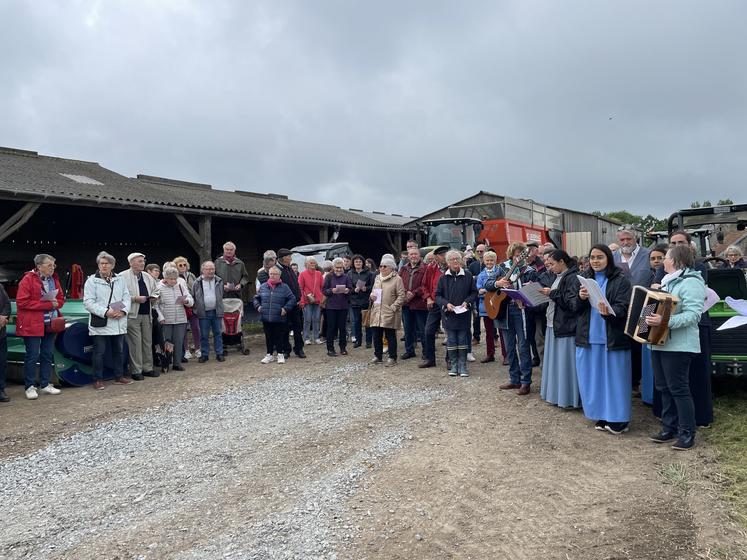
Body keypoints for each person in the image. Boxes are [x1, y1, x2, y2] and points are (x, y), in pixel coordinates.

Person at [645, 245, 706, 450]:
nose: (663, 261)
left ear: (676, 260)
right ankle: (668, 427)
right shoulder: (666, 282)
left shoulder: (691, 283)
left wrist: (664, 321)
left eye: (666, 258)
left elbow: (693, 316)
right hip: (659, 344)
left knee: (679, 389)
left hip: (680, 345)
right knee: (663, 387)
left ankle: (687, 432)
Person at [573, 244, 632, 434]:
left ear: (608, 258)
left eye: (600, 257)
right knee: (593, 379)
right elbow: (574, 308)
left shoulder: (620, 280)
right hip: (588, 336)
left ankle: (619, 419)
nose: (595, 261)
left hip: (611, 337)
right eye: (592, 257)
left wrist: (610, 312)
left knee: (615, 380)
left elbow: (624, 308)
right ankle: (601, 414)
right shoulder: (584, 279)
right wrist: (580, 298)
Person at [16, 253, 65, 399]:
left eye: (53, 265)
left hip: (50, 323)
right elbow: (22, 302)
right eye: (49, 265)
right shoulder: (27, 280)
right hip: (33, 324)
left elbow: (61, 299)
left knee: (47, 354)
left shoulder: (54, 279)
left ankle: (45, 384)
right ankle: (30, 386)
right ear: (39, 266)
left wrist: (57, 304)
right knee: (32, 355)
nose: (52, 268)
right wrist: (48, 304)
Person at [83, 251, 133, 389]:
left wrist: (123, 311)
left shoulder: (120, 280)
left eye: (107, 263)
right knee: (99, 352)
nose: (104, 266)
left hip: (118, 320)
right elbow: (88, 302)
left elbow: (126, 297)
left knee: (119, 350)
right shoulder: (91, 281)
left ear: (112, 265)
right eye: (101, 263)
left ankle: (119, 376)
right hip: (101, 322)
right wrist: (106, 312)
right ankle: (97, 379)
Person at [539, 250, 581, 408]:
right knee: (555, 363)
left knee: (565, 364)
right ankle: (556, 395)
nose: (550, 268)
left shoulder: (571, 277)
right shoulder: (558, 277)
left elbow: (572, 304)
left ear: (562, 262)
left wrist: (552, 294)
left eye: (552, 264)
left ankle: (568, 398)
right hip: (554, 323)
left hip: (565, 326)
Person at [496, 243, 538, 395]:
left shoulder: (530, 270)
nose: (518, 257)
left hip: (522, 311)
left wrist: (528, 292)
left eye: (521, 254)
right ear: (511, 255)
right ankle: (514, 379)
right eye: (515, 254)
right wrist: (497, 283)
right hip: (505, 311)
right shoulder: (501, 267)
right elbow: (488, 285)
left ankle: (526, 381)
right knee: (509, 347)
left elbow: (537, 291)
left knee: (523, 346)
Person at [436, 250, 477, 377]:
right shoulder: (443, 278)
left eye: (457, 259)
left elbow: (474, 293)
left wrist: (467, 302)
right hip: (449, 314)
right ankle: (454, 365)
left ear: (461, 261)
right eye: (452, 259)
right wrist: (446, 304)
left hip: (464, 313)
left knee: (462, 339)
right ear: (447, 262)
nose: (455, 261)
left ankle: (463, 365)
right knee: (452, 340)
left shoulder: (468, 275)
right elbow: (438, 295)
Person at [120, 252, 160, 380]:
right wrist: (134, 299)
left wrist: (154, 297)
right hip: (132, 315)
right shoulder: (122, 276)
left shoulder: (148, 276)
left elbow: (156, 290)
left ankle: (148, 368)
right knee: (135, 344)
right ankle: (136, 370)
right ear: (131, 263)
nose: (142, 263)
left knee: (147, 342)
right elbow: (119, 296)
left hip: (146, 313)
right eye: (139, 261)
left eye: (143, 261)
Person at [253, 266, 296, 364]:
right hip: (266, 317)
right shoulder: (263, 286)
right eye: (271, 274)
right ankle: (269, 355)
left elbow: (292, 299)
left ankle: (280, 354)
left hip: (278, 317)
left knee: (279, 336)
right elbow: (256, 298)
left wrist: (285, 309)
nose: (272, 276)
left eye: (275, 274)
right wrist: (258, 307)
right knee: (268, 337)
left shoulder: (284, 287)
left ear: (279, 276)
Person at [369, 256, 406, 366]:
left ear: (391, 268)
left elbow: (401, 295)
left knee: (390, 335)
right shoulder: (377, 278)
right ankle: (377, 356)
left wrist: (393, 307)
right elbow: (373, 291)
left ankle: (392, 357)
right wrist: (371, 296)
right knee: (376, 335)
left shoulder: (397, 279)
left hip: (390, 311)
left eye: (385, 266)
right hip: (377, 310)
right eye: (380, 266)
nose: (382, 268)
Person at [156, 266, 193, 372]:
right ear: (165, 278)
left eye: (175, 278)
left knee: (178, 341)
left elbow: (190, 299)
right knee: (166, 343)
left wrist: (186, 301)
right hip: (166, 319)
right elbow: (155, 305)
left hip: (180, 319)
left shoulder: (181, 286)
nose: (173, 281)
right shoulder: (159, 287)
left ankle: (177, 364)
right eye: (170, 278)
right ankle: (165, 364)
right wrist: (160, 317)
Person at [419, 246, 448, 368]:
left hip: (448, 303)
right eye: (442, 255)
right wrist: (428, 298)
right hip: (435, 303)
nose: (444, 257)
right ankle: (430, 359)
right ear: (436, 257)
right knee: (428, 331)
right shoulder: (431, 268)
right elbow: (424, 285)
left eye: (445, 254)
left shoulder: (452, 268)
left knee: (449, 332)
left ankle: (450, 359)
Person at [399, 247, 428, 360]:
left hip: (420, 303)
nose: (413, 256)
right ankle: (409, 350)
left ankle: (426, 352)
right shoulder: (403, 268)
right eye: (411, 254)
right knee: (407, 329)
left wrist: (415, 293)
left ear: (419, 256)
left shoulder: (425, 268)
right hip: (406, 303)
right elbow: (399, 282)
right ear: (408, 256)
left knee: (423, 329)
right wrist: (405, 293)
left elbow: (425, 285)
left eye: (415, 254)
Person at [192, 260, 225, 363]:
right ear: (203, 270)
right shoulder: (197, 282)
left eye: (212, 269)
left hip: (216, 311)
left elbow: (221, 294)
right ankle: (204, 354)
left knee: (218, 333)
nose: (211, 271)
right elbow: (193, 296)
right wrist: (196, 309)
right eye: (208, 269)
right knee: (204, 335)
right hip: (203, 312)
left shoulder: (219, 281)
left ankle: (219, 353)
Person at [276, 248, 306, 358]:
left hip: (295, 304)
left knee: (297, 327)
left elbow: (295, 285)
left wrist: (299, 298)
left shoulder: (289, 269)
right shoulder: (277, 270)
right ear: (283, 258)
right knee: (284, 328)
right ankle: (286, 350)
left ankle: (299, 349)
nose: (291, 258)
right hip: (284, 305)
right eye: (289, 256)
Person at [322, 257, 352, 356]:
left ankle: (343, 347)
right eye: (337, 267)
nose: (339, 270)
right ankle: (330, 349)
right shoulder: (329, 277)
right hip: (331, 307)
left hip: (343, 306)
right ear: (333, 267)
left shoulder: (346, 277)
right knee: (331, 328)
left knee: (342, 328)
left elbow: (350, 289)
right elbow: (324, 290)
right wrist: (331, 291)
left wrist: (348, 291)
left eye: (340, 267)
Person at [475, 250, 501, 363]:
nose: (489, 262)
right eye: (487, 260)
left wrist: (487, 290)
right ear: (484, 261)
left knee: (501, 330)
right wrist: (491, 288)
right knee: (489, 331)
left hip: (499, 304)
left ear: (495, 261)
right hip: (485, 306)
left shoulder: (500, 272)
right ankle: (490, 354)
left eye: (491, 260)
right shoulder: (481, 275)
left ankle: (506, 355)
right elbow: (479, 290)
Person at [174, 256, 201, 360]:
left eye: (184, 264)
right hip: (181, 306)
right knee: (183, 329)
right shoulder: (175, 278)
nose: (182, 267)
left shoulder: (191, 275)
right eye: (180, 265)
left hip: (192, 305)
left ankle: (198, 349)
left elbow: (197, 289)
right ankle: (186, 350)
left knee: (196, 328)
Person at [348, 254, 374, 348]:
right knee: (356, 322)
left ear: (363, 263)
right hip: (354, 301)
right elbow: (348, 287)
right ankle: (358, 341)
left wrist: (365, 288)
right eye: (356, 262)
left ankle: (368, 341)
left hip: (366, 300)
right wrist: (354, 290)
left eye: (360, 261)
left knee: (367, 322)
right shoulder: (350, 273)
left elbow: (373, 286)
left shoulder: (369, 273)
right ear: (353, 263)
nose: (358, 263)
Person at [299, 256, 324, 344]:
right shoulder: (302, 274)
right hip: (307, 300)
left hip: (317, 300)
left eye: (314, 262)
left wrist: (321, 299)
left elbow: (322, 287)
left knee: (317, 319)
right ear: (306, 264)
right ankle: (306, 338)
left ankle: (316, 337)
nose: (313, 264)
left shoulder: (319, 274)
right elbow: (300, 288)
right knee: (307, 319)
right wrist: (302, 300)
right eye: (311, 262)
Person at [469, 244, 486, 345]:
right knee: (476, 316)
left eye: (481, 251)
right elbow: (470, 279)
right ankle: (476, 337)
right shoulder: (472, 265)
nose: (479, 253)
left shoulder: (489, 263)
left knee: (490, 315)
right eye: (478, 251)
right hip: (476, 293)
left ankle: (494, 337)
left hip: (487, 293)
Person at [0, 282, 11, 403]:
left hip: (1, 333)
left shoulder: (0, 287)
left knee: (1, 362)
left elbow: (7, 305)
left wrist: (3, 316)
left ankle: (1, 389)